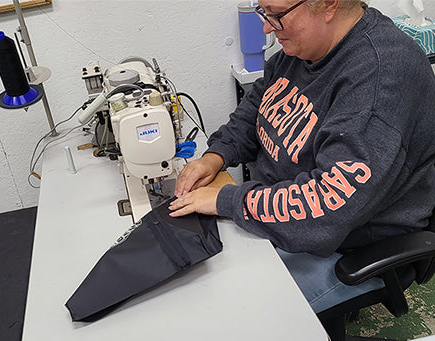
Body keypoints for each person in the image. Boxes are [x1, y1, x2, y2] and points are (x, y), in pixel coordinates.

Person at [169, 0, 435, 313]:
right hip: (284, 219)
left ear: (328, 5)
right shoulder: (303, 49)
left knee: (221, 313)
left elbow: (327, 205)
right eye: (263, 12)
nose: (267, 27)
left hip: (345, 248)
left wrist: (227, 201)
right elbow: (257, 106)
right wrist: (216, 155)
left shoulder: (380, 80)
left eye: (277, 15)